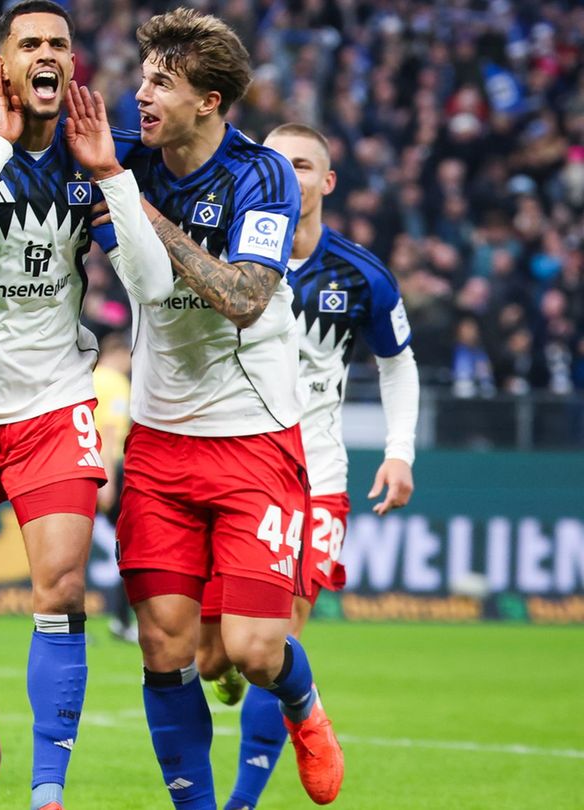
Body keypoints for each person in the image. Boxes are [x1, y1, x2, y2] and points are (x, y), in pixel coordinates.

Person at [0, 8, 346, 806]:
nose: (140, 95)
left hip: (253, 433)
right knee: (164, 647)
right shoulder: (122, 148)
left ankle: (300, 699)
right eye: (143, 77)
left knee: (254, 650)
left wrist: (131, 201)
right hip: (157, 438)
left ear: (210, 102)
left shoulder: (261, 177)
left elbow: (244, 297)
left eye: (162, 84)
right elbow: (33, 108)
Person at [0, 3, 171, 808]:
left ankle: (47, 793)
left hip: (53, 403)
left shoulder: (95, 153)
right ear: (3, 64)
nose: (48, 54)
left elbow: (151, 288)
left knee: (60, 589)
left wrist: (112, 178)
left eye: (60, 43)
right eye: (31, 44)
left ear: (73, 60)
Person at [199, 123, 418, 810]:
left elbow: (398, 361)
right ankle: (250, 677)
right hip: (230, 470)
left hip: (313, 479)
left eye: (303, 166)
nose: (287, 176)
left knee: (276, 638)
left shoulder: (360, 273)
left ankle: (243, 799)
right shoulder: (220, 252)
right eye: (275, 163)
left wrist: (399, 451)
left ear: (326, 182)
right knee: (214, 658)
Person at [90, 332, 134, 642]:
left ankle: (65, 623)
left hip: (80, 460)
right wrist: (108, 481)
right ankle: (122, 620)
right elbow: (109, 430)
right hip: (109, 467)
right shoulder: (115, 382)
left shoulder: (89, 377)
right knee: (127, 544)